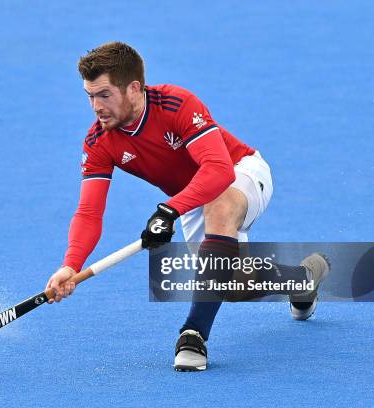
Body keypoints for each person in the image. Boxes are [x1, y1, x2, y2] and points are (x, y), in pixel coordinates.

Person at [45, 42, 330, 371]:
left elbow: (218, 170)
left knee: (220, 208)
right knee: (230, 284)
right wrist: (71, 264)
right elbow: (89, 213)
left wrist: (169, 210)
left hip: (240, 171)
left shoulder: (175, 103)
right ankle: (302, 278)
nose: (96, 106)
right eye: (89, 96)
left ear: (134, 88)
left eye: (104, 95)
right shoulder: (99, 141)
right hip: (193, 198)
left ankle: (193, 334)